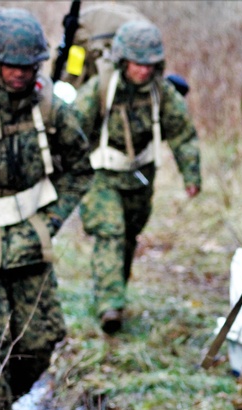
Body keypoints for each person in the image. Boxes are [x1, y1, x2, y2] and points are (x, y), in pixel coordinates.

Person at [0, 8, 91, 410]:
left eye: (28, 66)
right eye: (11, 65)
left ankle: (4, 404)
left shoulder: (52, 109)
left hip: (29, 243)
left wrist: (49, 221)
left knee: (41, 338)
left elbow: (79, 168)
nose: (19, 74)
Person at [74, 20, 200, 334]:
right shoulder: (101, 87)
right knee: (110, 231)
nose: (143, 70)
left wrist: (191, 174)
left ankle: (115, 292)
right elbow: (72, 130)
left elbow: (183, 134)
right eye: (136, 63)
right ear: (122, 59)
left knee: (129, 235)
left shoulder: (162, 92)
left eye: (149, 64)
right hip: (101, 175)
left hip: (141, 177)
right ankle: (109, 305)